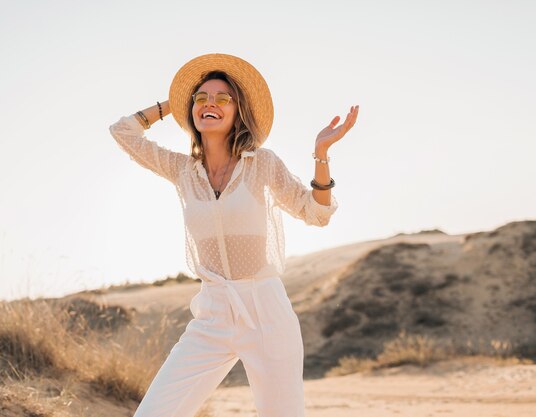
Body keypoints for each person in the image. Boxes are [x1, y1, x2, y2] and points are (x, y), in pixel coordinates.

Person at [108, 53, 359, 417]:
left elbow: (316, 213)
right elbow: (122, 132)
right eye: (201, 98)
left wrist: (321, 154)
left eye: (222, 98)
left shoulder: (262, 164)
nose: (210, 104)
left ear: (238, 111)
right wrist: (172, 104)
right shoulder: (182, 171)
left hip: (266, 313)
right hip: (212, 312)